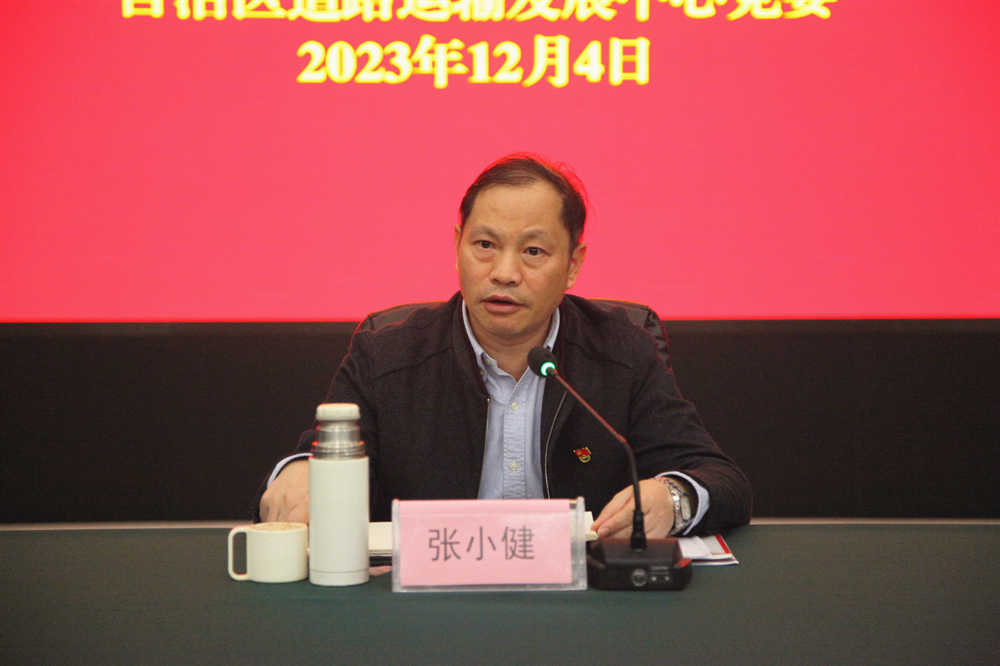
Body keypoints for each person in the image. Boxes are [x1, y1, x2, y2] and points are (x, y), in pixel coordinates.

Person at [255, 154, 751, 538]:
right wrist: (299, 476)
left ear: (573, 264)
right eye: (485, 246)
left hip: (585, 609)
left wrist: (672, 498)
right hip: (427, 610)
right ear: (457, 246)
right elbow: (310, 465)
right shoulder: (385, 356)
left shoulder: (623, 352)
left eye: (533, 251)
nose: (504, 273)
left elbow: (721, 479)